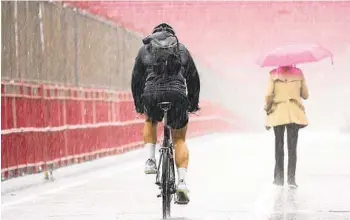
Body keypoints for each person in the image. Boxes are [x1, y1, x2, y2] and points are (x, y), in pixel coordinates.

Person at [131, 23, 200, 204]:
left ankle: (150, 160)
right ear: (172, 36)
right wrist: (192, 104)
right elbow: (193, 79)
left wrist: (139, 104)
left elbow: (136, 80)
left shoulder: (144, 50)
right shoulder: (181, 49)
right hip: (177, 96)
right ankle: (182, 183)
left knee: (150, 120)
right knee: (179, 140)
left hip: (152, 95)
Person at [264, 65, 309, 188]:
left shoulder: (273, 74)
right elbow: (305, 95)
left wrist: (266, 110)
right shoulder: (299, 73)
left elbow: (268, 96)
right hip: (294, 113)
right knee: (292, 148)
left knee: (279, 146)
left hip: (278, 113)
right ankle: (291, 180)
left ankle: (278, 179)